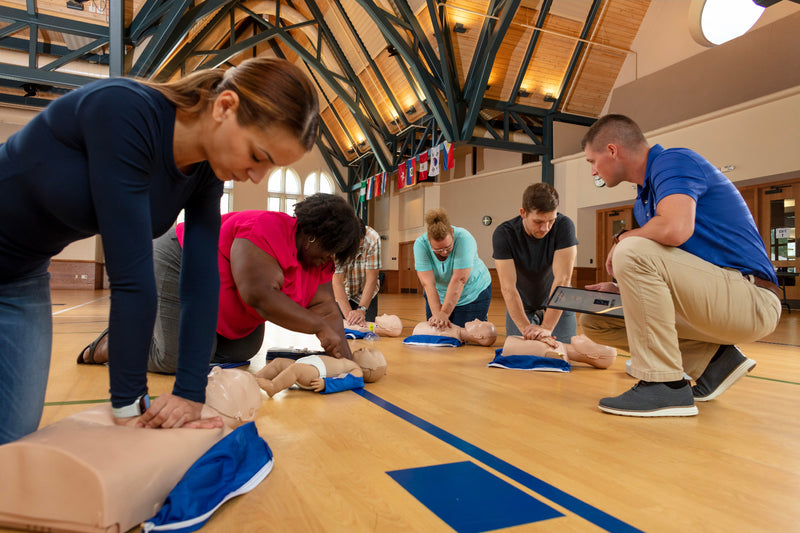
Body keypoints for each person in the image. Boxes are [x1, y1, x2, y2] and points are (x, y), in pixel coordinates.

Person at [0, 57, 318, 444]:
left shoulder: (205, 172)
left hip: (21, 280)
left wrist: (189, 393)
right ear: (224, 107)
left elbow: (201, 284)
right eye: (257, 156)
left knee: (10, 440)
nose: (256, 177)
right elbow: (132, 279)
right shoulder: (126, 111)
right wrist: (130, 405)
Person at [580, 114, 781, 417]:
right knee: (598, 319)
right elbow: (670, 265)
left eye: (591, 161)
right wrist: (624, 289)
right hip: (716, 296)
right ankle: (715, 362)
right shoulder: (644, 199)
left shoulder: (674, 161)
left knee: (631, 250)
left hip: (752, 299)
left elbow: (676, 228)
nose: (593, 171)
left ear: (612, 150)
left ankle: (664, 386)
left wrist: (623, 239)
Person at [80, 193, 362, 371]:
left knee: (242, 350)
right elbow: (259, 296)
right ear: (312, 236)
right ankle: (115, 343)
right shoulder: (265, 229)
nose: (328, 259)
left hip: (216, 293)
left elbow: (325, 308)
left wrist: (345, 359)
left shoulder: (319, 261)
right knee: (176, 360)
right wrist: (318, 327)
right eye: (329, 249)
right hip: (178, 261)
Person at [0, 367, 264, 533]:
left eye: (230, 378)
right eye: (216, 371)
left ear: (246, 413)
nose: (216, 370)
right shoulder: (169, 405)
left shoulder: (222, 437)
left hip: (89, 489)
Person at [492, 183, 578, 343]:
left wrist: (547, 328)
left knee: (561, 350)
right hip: (521, 299)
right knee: (522, 352)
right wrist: (527, 329)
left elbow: (563, 280)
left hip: (558, 296)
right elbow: (508, 288)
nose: (545, 228)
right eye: (538, 221)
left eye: (551, 220)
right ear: (523, 213)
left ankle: (543, 320)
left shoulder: (564, 225)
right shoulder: (504, 234)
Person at [414, 208, 492, 329]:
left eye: (448, 247)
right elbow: (428, 284)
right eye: (438, 250)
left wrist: (444, 314)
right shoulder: (420, 245)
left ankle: (481, 316)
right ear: (429, 242)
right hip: (440, 294)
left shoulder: (464, 238)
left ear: (452, 233)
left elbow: (459, 279)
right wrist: (438, 316)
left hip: (471, 292)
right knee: (438, 333)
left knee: (462, 336)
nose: (444, 252)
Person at [254, 347, 387, 397]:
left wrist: (326, 384)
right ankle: (254, 378)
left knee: (295, 370)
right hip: (308, 364)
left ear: (371, 369)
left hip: (315, 373)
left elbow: (346, 382)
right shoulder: (347, 360)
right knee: (278, 362)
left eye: (372, 353)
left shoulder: (357, 371)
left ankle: (273, 387)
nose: (365, 348)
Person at [333, 222, 382, 325]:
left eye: (357, 245)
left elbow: (371, 279)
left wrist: (361, 309)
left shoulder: (372, 238)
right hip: (343, 293)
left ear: (362, 238)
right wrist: (349, 317)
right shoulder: (335, 242)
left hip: (366, 292)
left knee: (367, 328)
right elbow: (337, 282)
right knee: (343, 327)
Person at [501, 335, 617, 369]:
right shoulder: (556, 349)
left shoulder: (552, 352)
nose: (585, 336)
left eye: (593, 341)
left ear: (593, 355)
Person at [410, 319, 498, 346]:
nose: (476, 320)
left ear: (478, 336)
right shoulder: (456, 331)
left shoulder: (450, 336)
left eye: (479, 324)